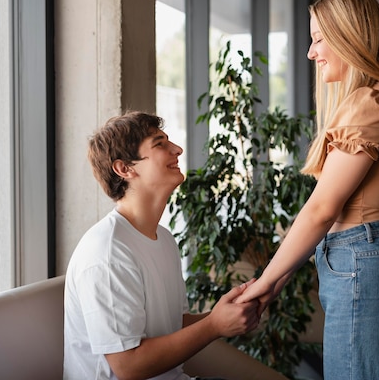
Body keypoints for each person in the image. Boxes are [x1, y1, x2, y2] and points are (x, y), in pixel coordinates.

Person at [235, 0, 379, 380]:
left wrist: (264, 283)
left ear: (349, 36)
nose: (311, 53)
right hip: (375, 259)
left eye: (319, 39)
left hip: (367, 265)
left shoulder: (369, 101)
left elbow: (322, 210)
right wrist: (278, 281)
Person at [63, 111, 260, 380]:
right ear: (125, 169)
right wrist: (214, 325)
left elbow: (172, 326)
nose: (177, 149)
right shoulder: (107, 252)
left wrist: (224, 313)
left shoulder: (163, 238)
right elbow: (128, 366)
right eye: (160, 144)